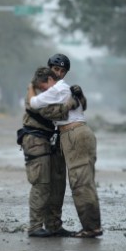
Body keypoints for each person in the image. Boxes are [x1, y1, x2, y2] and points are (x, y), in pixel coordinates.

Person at [27, 66, 103, 238]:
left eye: (42, 87)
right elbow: (81, 105)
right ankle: (84, 226)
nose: (42, 91)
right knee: (76, 182)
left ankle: (92, 228)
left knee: (81, 184)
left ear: (48, 80)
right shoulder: (68, 89)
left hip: (74, 134)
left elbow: (34, 104)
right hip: (71, 136)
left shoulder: (57, 88)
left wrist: (30, 88)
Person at [18, 54, 78, 238]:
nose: (58, 73)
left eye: (62, 71)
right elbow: (48, 111)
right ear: (49, 68)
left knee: (58, 185)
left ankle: (53, 225)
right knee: (41, 183)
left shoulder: (59, 89)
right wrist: (68, 106)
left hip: (53, 140)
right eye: (56, 69)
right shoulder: (37, 87)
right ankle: (35, 226)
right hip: (36, 140)